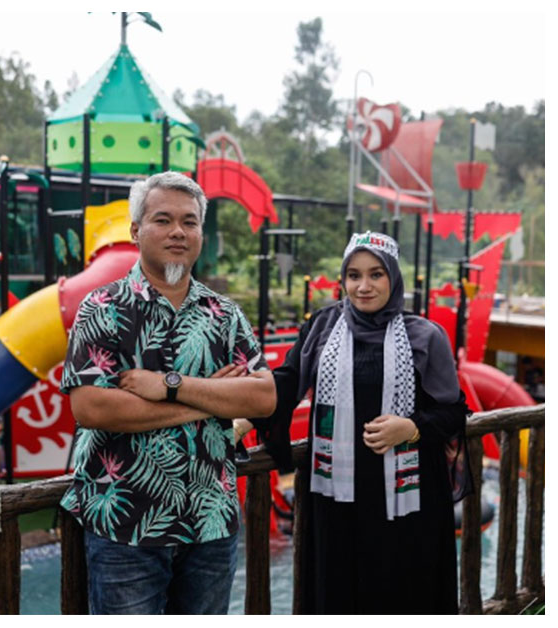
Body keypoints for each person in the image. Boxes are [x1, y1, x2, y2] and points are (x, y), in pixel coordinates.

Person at [60, 172, 277, 614]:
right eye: (163, 220)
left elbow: (263, 399)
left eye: (190, 222)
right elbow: (93, 408)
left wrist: (169, 386)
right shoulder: (102, 309)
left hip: (212, 521)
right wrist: (209, 401)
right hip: (126, 525)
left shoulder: (224, 315)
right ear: (136, 230)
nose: (179, 232)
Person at [244, 232, 469, 613]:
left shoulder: (425, 336)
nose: (363, 286)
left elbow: (452, 411)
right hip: (337, 497)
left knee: (404, 594)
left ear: (394, 278)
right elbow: (285, 383)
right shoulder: (322, 325)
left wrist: (410, 427)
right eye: (353, 275)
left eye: (376, 275)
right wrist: (240, 415)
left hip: (406, 500)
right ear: (343, 280)